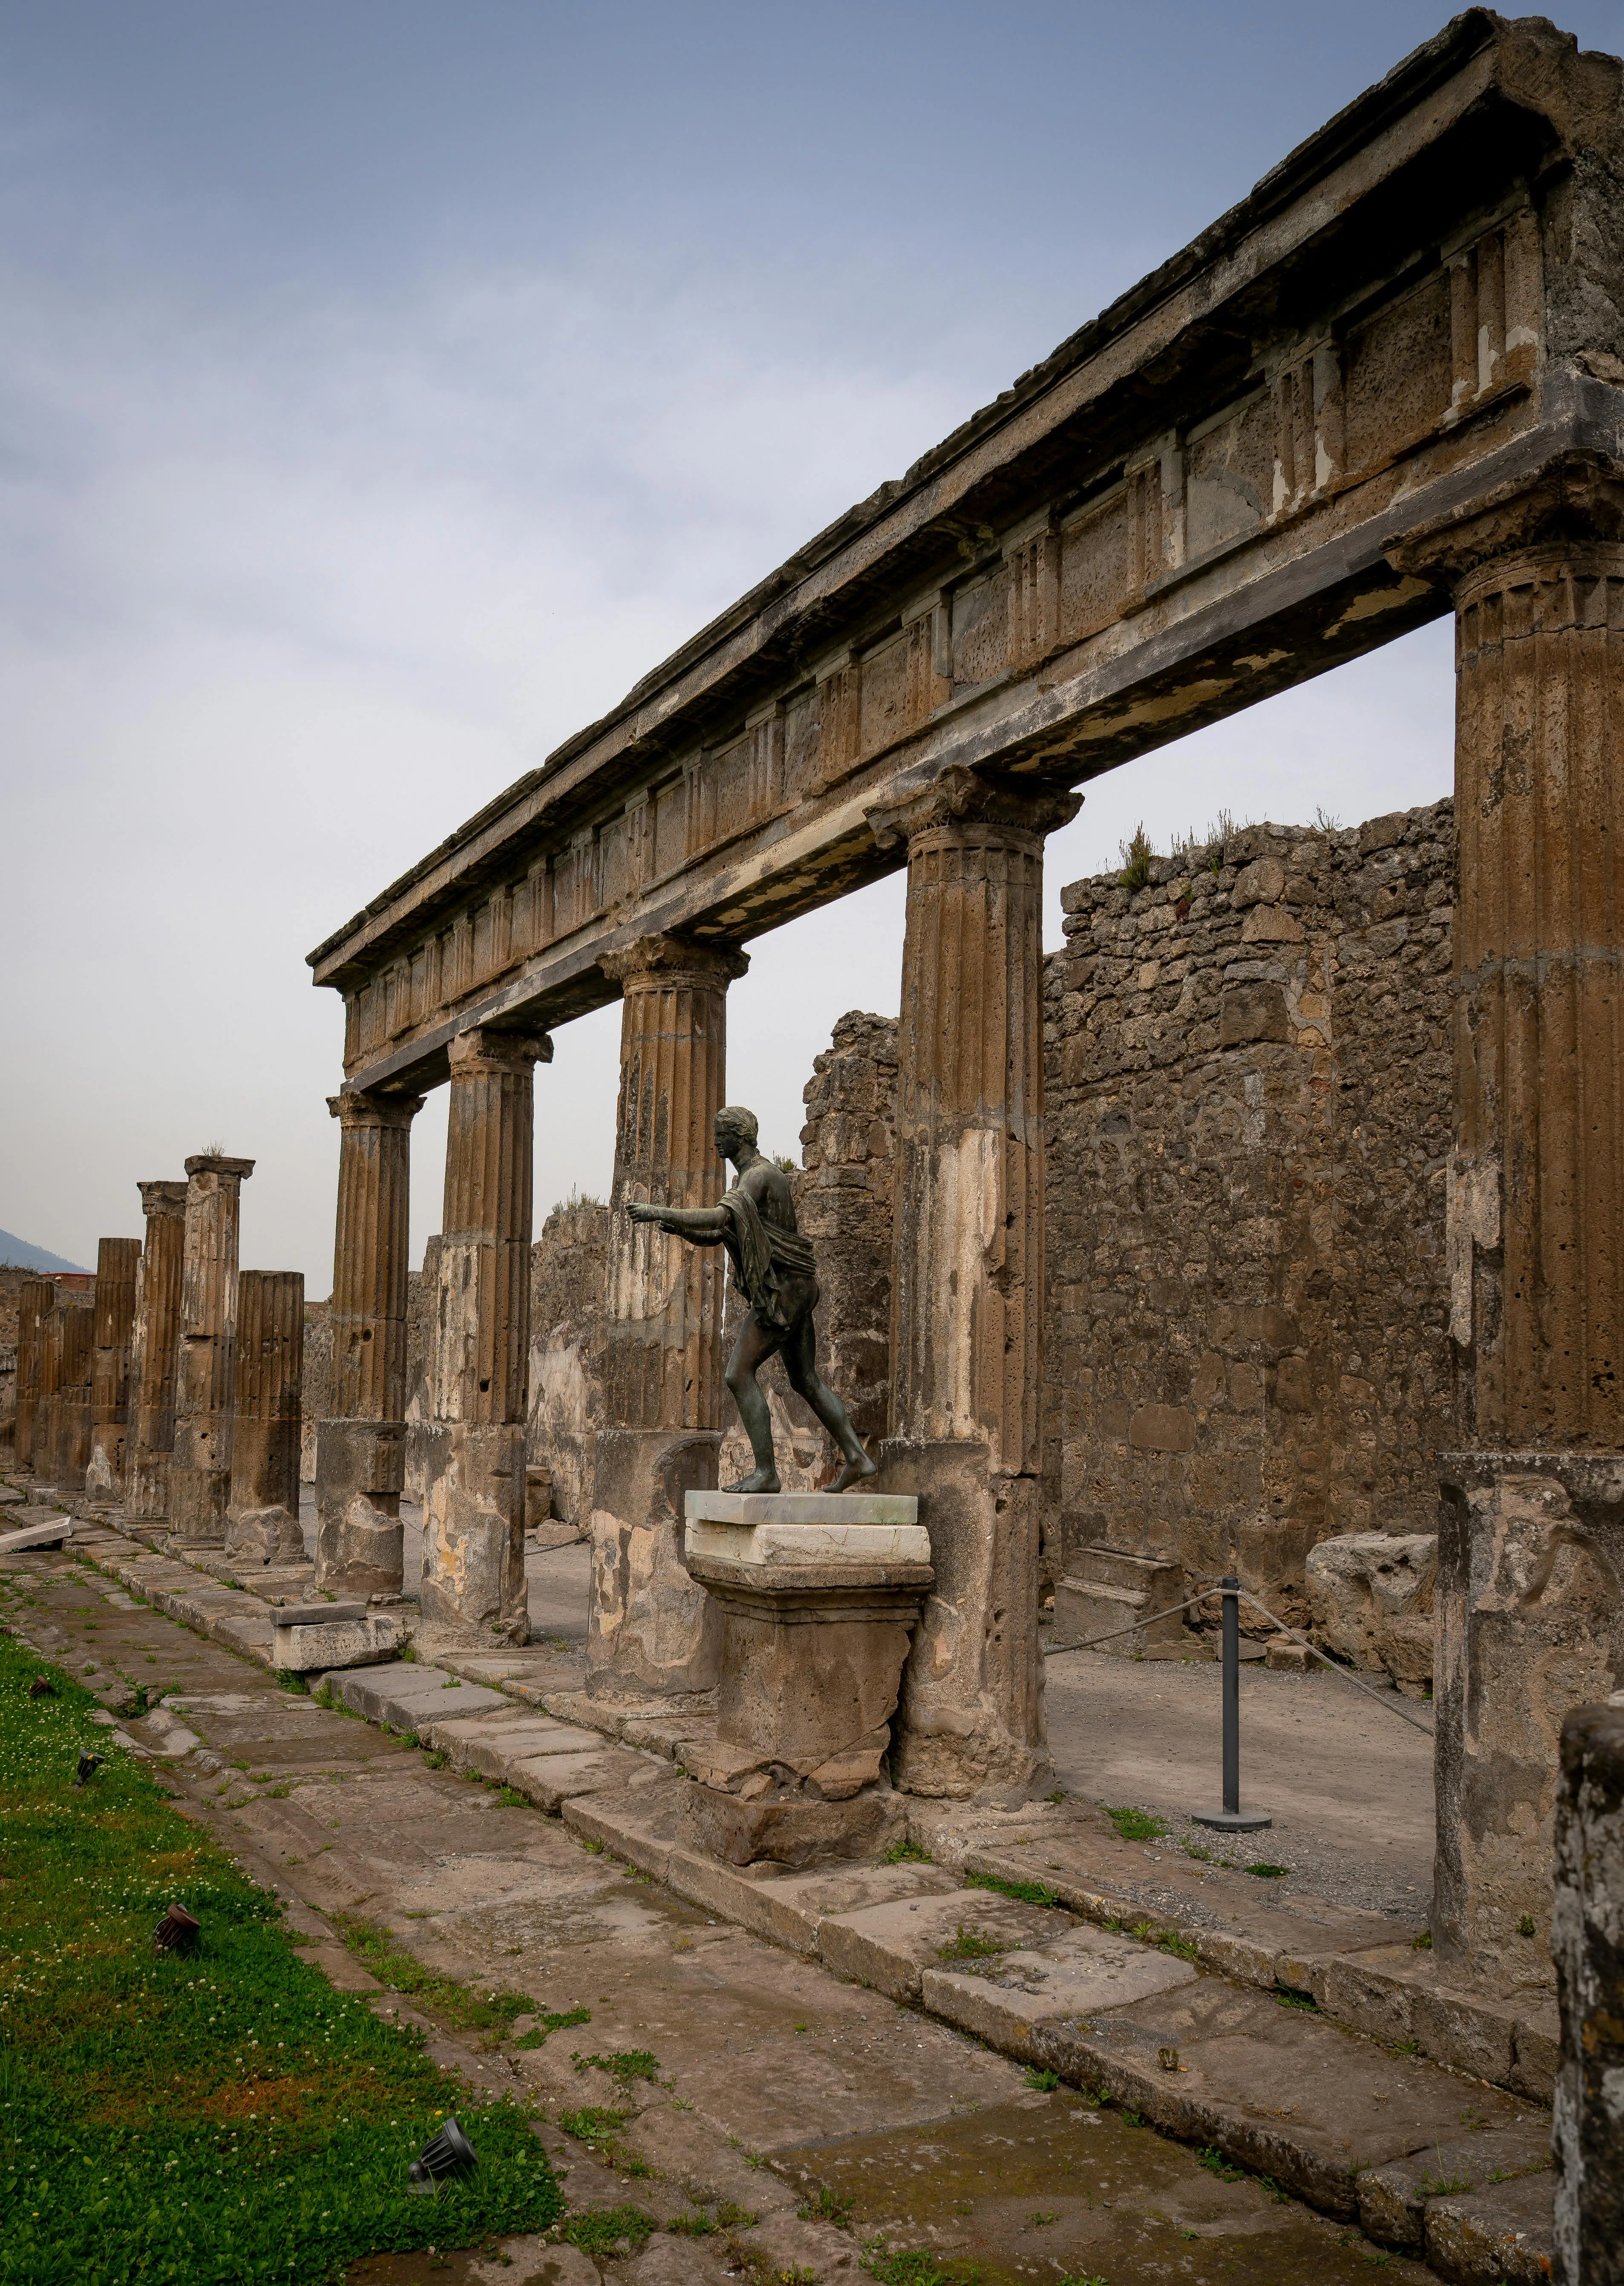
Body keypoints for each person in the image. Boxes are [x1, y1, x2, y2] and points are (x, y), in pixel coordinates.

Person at [626, 1104, 878, 1493]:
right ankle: (858, 1458)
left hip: (784, 1292)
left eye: (721, 1134)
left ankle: (766, 1473)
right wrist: (676, 1227)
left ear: (739, 1137)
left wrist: (658, 1209)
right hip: (796, 1286)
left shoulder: (759, 1176)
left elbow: (718, 1220)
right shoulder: (748, 1179)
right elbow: (720, 1235)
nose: (715, 1141)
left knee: (737, 1374)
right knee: (806, 1379)